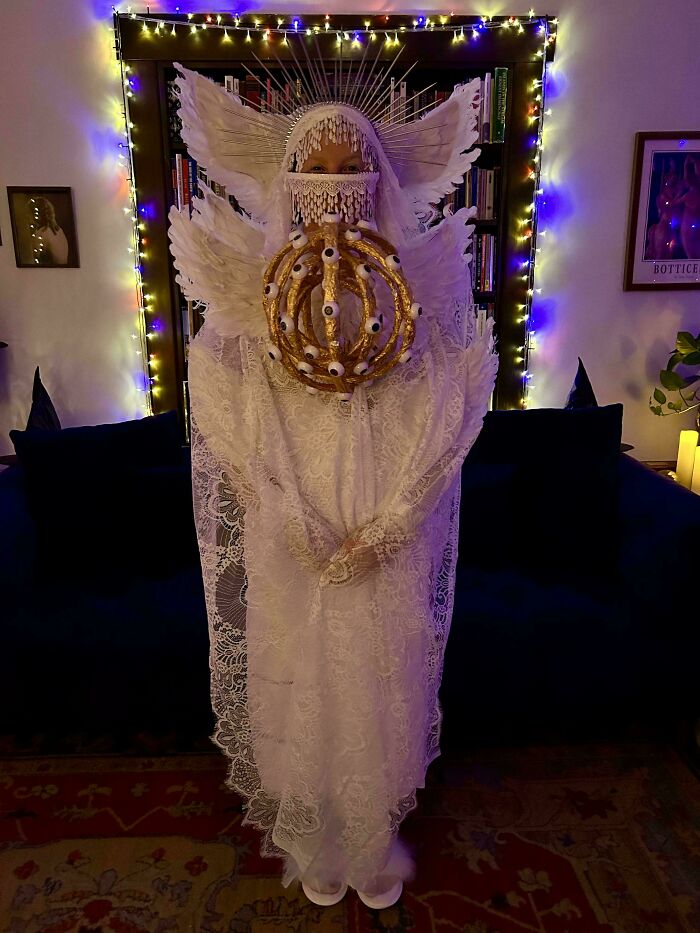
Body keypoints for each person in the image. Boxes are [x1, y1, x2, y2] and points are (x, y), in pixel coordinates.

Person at [168, 49, 499, 909]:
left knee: (377, 677)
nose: (334, 182)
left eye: (351, 164)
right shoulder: (258, 300)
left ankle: (371, 828)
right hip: (297, 518)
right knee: (303, 671)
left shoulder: (410, 296)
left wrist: (392, 523)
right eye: (315, 169)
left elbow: (444, 412)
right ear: (288, 179)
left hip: (377, 518)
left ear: (378, 175)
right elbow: (230, 413)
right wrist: (283, 511)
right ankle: (315, 826)